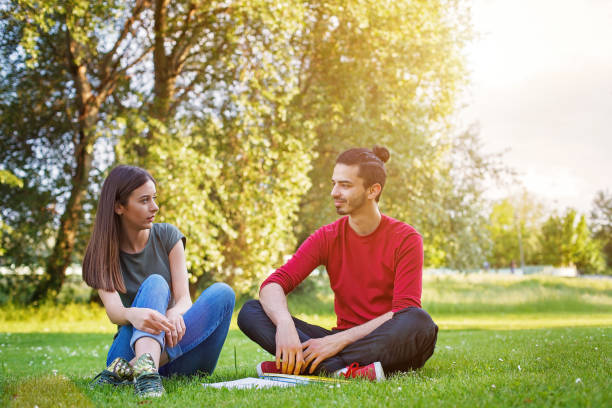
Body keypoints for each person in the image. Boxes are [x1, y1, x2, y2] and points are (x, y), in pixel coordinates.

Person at [237, 146, 438, 381]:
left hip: (384, 339)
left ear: (373, 191)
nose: (334, 192)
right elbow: (275, 283)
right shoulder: (327, 236)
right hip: (343, 342)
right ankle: (343, 371)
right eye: (334, 183)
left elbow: (403, 310)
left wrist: (336, 341)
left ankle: (310, 366)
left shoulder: (406, 238)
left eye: (345, 185)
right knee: (251, 311)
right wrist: (284, 324)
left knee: (419, 322)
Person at [83, 165, 235, 397]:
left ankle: (139, 369)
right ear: (118, 206)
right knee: (156, 282)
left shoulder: (168, 236)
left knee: (223, 293)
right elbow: (115, 312)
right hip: (126, 351)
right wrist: (134, 314)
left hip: (177, 355)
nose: (154, 207)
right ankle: (146, 373)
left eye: (154, 198)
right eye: (144, 200)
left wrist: (175, 313)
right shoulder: (100, 253)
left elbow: (184, 299)